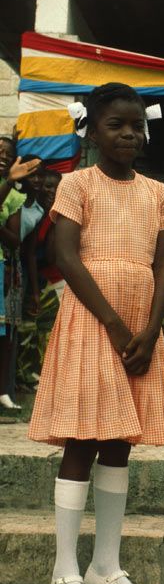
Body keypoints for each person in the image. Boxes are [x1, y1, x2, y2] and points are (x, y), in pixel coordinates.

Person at [27, 82, 164, 584]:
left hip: (140, 328)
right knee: (83, 441)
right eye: (116, 124)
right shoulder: (77, 185)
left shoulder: (156, 192)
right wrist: (117, 326)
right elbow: (66, 256)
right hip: (95, 323)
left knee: (120, 442)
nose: (129, 134)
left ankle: (105, 567)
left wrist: (150, 327)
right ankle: (64, 571)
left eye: (137, 125)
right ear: (92, 131)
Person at [0, 142, 40, 409]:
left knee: (5, 332)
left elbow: (15, 241)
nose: (3, 157)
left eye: (8, 154)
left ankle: (3, 391)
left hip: (4, 266)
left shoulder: (14, 197)